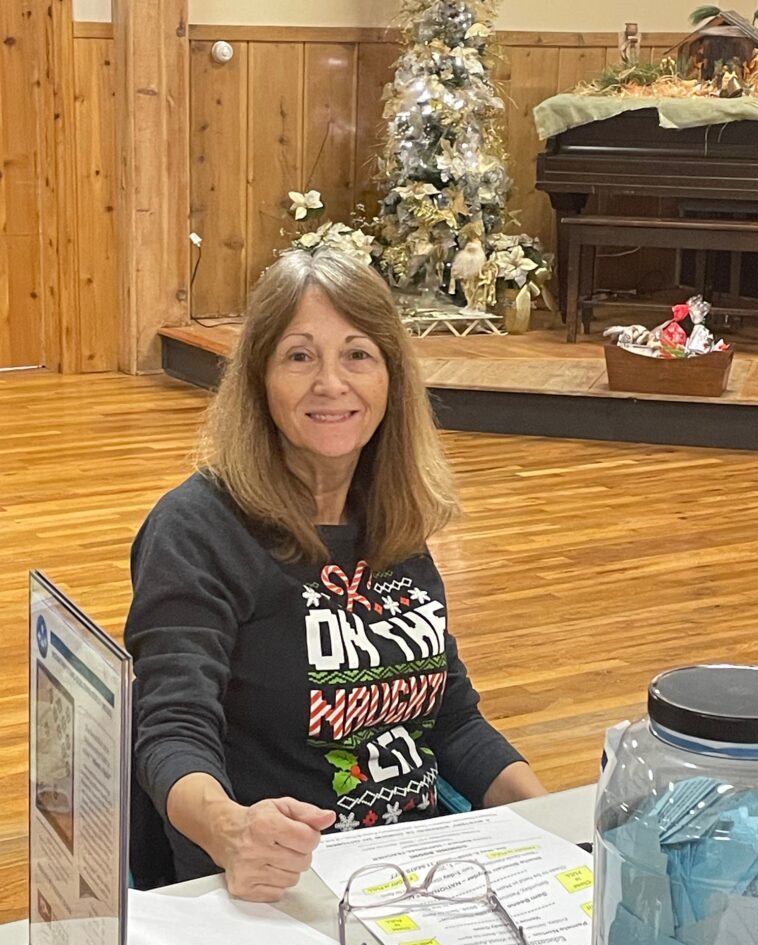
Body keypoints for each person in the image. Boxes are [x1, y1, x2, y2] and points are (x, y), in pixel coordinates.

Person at [125, 247, 546, 903]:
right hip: (275, 886)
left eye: (357, 354)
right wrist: (232, 830)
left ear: (390, 378)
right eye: (299, 356)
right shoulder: (198, 529)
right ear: (258, 378)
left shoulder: (391, 517)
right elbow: (171, 731)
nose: (330, 383)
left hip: (418, 876)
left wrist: (559, 829)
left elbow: (452, 721)